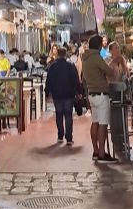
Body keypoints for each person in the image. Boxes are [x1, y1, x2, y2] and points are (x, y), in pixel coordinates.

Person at [81, 34, 117, 162]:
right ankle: (102, 152)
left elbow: (83, 79)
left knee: (95, 123)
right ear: (98, 45)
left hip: (91, 93)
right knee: (103, 124)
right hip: (101, 94)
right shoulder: (96, 57)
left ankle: (96, 150)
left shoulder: (85, 58)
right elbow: (110, 72)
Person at [44, 46, 79, 145]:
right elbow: (75, 80)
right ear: (66, 54)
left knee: (59, 114)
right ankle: (69, 138)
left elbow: (49, 80)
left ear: (57, 54)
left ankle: (60, 135)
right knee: (68, 115)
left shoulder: (52, 66)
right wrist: (79, 91)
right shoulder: (70, 65)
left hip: (57, 94)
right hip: (69, 94)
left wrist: (47, 92)